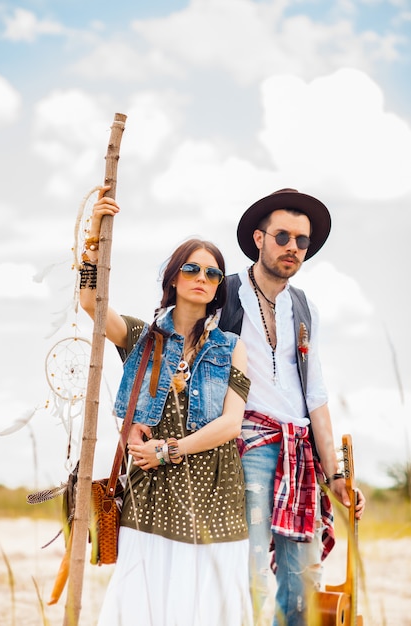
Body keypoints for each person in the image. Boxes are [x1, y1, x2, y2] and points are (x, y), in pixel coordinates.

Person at [79, 187, 253, 626]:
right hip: (153, 496)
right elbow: (90, 303)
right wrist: (93, 239)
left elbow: (232, 424)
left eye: (214, 274)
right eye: (192, 268)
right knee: (146, 604)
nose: (203, 277)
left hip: (215, 495)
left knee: (208, 607)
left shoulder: (232, 348)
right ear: (173, 277)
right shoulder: (143, 339)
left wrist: (167, 449)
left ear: (218, 289)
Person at [218, 188, 366, 626]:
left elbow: (314, 394)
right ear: (259, 238)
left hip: (299, 453)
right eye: (283, 236)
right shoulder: (222, 295)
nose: (293, 248)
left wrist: (336, 475)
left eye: (302, 241)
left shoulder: (305, 308)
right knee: (249, 575)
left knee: (304, 579)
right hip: (245, 447)